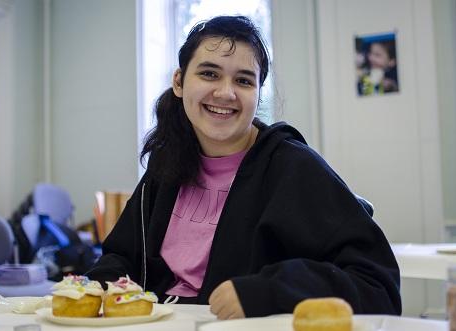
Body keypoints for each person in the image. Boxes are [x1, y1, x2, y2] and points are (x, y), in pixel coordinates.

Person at [86, 15, 401, 319]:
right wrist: (98, 285)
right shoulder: (166, 163)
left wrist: (269, 292)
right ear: (179, 82)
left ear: (257, 94)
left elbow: (377, 285)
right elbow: (123, 256)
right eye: (209, 74)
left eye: (243, 80)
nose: (226, 92)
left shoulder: (293, 168)